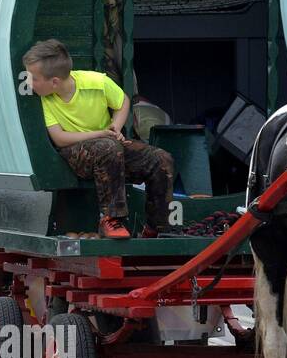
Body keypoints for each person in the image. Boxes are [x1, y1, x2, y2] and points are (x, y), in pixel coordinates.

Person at [22, 38, 174, 239]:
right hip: (74, 151)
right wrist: (101, 133)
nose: (28, 82)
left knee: (161, 159)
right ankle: (111, 218)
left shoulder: (97, 82)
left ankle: (157, 227)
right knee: (108, 147)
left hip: (108, 148)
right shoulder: (44, 99)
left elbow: (122, 102)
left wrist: (115, 126)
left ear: (54, 82)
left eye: (33, 78)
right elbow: (60, 139)